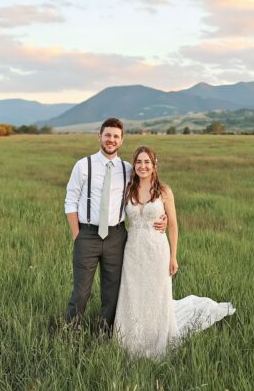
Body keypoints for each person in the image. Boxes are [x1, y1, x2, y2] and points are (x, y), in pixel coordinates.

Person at [113, 146, 236, 359]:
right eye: (139, 162)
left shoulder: (164, 191)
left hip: (157, 250)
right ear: (134, 165)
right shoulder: (128, 190)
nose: (143, 166)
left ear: (154, 165)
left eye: (147, 162)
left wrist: (173, 256)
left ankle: (156, 337)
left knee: (156, 292)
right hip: (132, 250)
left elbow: (174, 225)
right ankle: (131, 339)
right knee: (133, 293)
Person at [64, 119, 166, 332]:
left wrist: (161, 215)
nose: (111, 140)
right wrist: (77, 235)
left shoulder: (128, 169)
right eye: (107, 135)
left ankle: (105, 333)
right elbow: (70, 201)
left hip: (117, 236)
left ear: (121, 140)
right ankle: (70, 333)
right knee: (81, 291)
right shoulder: (83, 165)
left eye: (116, 137)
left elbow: (146, 192)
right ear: (99, 136)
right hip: (88, 234)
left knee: (112, 292)